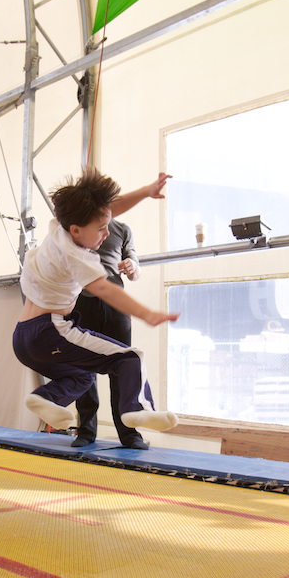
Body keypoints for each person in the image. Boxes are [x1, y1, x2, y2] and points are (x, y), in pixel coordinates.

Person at [13, 167, 179, 442]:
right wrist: (146, 313)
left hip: (23, 339)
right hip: (50, 331)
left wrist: (145, 192)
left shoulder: (59, 229)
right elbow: (104, 289)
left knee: (83, 377)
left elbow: (110, 210)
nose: (106, 233)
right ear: (77, 231)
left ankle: (45, 397)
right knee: (131, 357)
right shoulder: (76, 256)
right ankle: (136, 411)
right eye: (101, 229)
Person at [72, 216, 149, 449]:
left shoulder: (122, 229)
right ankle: (86, 430)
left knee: (123, 369)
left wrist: (132, 267)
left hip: (116, 304)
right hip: (82, 303)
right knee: (83, 369)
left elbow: (135, 272)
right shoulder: (74, 226)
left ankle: (129, 433)